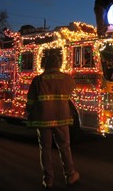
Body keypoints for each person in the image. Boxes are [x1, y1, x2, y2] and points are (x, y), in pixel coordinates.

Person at [26, 54, 79, 189]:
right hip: (62, 118)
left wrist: (29, 113)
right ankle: (71, 176)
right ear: (59, 64)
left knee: (45, 149)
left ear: (46, 64)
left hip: (43, 119)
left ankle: (48, 180)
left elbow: (31, 100)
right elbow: (73, 89)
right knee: (65, 147)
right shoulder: (67, 79)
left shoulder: (38, 80)